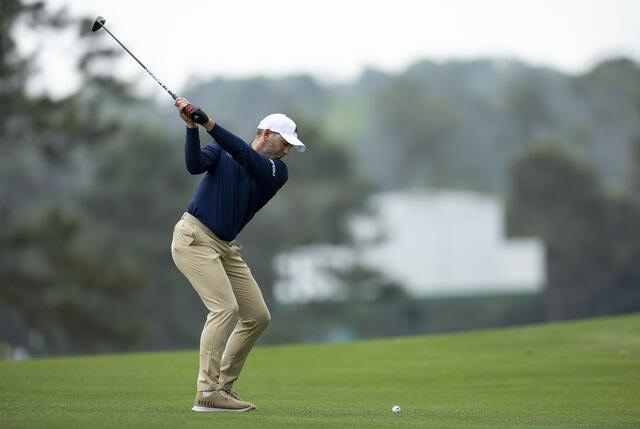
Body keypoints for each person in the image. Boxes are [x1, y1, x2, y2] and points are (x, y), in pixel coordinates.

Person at [171, 97, 306, 412]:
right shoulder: (221, 149)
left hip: (224, 247)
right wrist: (192, 128)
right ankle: (207, 392)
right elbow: (194, 165)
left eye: (290, 146)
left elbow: (243, 154)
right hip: (194, 238)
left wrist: (209, 124)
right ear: (266, 133)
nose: (287, 150)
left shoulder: (276, 171)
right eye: (285, 143)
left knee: (257, 316)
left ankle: (222, 388)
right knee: (224, 308)